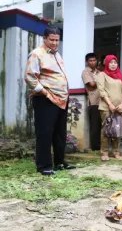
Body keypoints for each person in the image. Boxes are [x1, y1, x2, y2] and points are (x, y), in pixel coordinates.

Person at [25, 25, 75, 176]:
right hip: (45, 99)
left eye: (57, 40)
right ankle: (44, 166)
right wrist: (45, 92)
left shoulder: (57, 55)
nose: (54, 43)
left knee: (59, 133)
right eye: (51, 40)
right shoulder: (36, 54)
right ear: (44, 38)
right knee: (45, 133)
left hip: (61, 99)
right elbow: (29, 76)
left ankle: (59, 162)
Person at [96, 55, 122, 161]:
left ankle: (116, 151)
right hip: (106, 107)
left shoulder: (120, 76)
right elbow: (101, 91)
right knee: (106, 130)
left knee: (117, 130)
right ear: (107, 63)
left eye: (115, 62)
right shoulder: (102, 74)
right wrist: (110, 104)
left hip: (119, 107)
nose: (113, 64)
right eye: (111, 62)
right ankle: (104, 152)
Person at [81, 53, 101, 151]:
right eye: (90, 61)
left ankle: (101, 146)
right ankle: (95, 148)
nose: (93, 62)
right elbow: (92, 84)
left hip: (102, 101)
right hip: (93, 102)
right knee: (95, 126)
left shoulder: (98, 72)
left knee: (102, 125)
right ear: (86, 62)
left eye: (94, 60)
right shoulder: (85, 72)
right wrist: (101, 79)